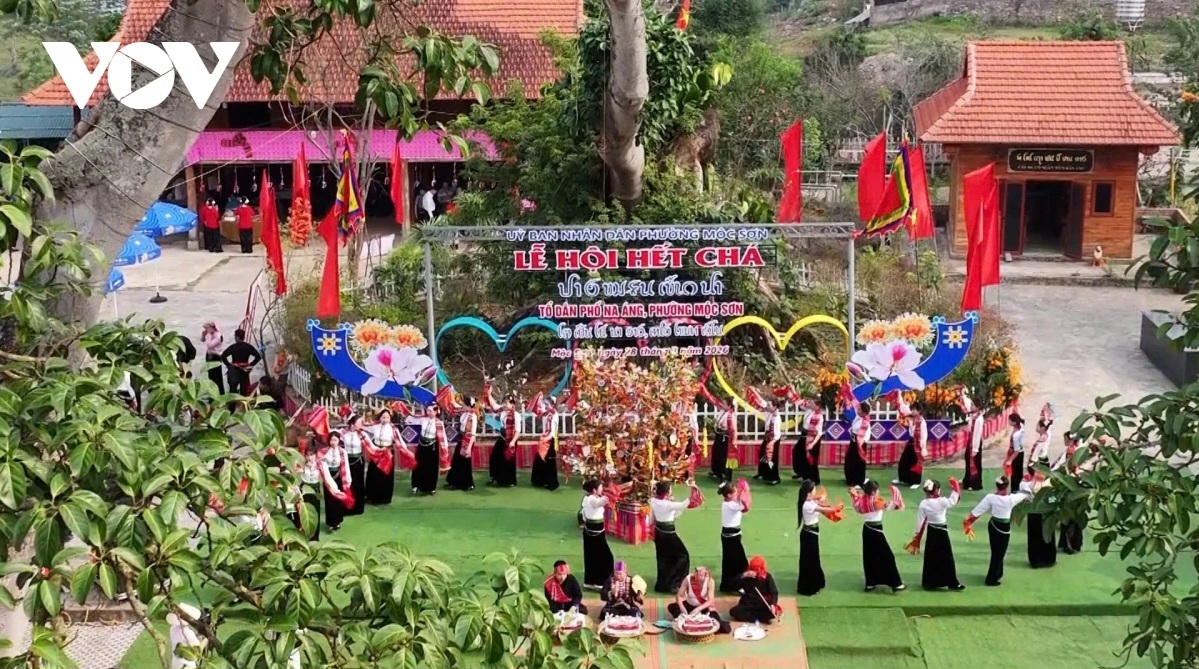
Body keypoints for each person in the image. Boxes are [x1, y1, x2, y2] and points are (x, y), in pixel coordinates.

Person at [963, 475, 1031, 586]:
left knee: (996, 552)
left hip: (993, 525)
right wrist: (1026, 480)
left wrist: (969, 522)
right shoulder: (1011, 499)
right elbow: (1025, 493)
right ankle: (991, 579)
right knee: (999, 554)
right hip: (1003, 528)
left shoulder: (990, 497)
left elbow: (978, 511)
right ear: (1007, 486)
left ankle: (998, 573)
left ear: (997, 486)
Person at [907, 479, 964, 590]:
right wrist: (955, 487)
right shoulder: (942, 501)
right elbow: (953, 500)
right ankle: (952, 582)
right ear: (937, 490)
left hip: (932, 530)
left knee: (931, 557)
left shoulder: (923, 503)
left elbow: (920, 521)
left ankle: (929, 583)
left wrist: (916, 537)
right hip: (942, 531)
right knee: (947, 558)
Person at [851, 480, 906, 592]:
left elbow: (856, 504)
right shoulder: (876, 502)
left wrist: (854, 495)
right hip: (876, 531)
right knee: (888, 557)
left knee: (869, 557)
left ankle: (870, 583)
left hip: (866, 529)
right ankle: (896, 584)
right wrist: (896, 495)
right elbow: (893, 506)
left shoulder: (861, 501)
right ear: (873, 492)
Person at [649, 481, 702, 593]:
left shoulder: (653, 501)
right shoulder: (668, 504)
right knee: (683, 555)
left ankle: (662, 584)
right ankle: (675, 583)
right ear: (667, 492)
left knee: (663, 558)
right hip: (669, 534)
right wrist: (692, 488)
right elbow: (685, 503)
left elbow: (651, 520)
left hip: (659, 532)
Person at [797, 479, 842, 596]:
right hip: (809, 535)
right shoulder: (807, 505)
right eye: (813, 491)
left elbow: (818, 500)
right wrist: (837, 507)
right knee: (810, 560)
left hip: (811, 533)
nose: (815, 493)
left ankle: (816, 581)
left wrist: (822, 497)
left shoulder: (809, 500)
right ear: (808, 493)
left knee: (813, 558)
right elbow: (827, 509)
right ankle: (809, 586)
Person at [667, 566, 730, 634]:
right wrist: (682, 608)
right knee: (672, 607)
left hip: (703, 607)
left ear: (706, 574)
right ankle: (686, 619)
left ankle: (695, 620)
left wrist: (698, 609)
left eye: (702, 575)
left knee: (718, 622)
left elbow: (710, 600)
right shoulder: (688, 579)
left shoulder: (710, 581)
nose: (699, 577)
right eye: (698, 574)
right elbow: (679, 596)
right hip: (689, 604)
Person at [1053, 431, 1085, 554]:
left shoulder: (1071, 451)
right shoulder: (1082, 449)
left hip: (1070, 485)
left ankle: (1068, 544)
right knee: (1076, 516)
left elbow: (1066, 467)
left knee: (1067, 516)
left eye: (1065, 439)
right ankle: (1076, 543)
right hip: (1080, 485)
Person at [580, 479, 616, 589]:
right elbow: (597, 504)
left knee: (591, 556)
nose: (602, 489)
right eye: (600, 487)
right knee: (606, 557)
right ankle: (600, 582)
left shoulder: (587, 498)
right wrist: (607, 498)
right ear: (595, 490)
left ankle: (590, 581)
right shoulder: (591, 500)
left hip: (591, 530)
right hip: (595, 531)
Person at [1021, 464, 1057, 569]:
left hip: (1034, 513)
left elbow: (1025, 499)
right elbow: (1053, 498)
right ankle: (1048, 559)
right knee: (1046, 535)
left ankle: (1036, 560)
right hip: (1045, 513)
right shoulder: (1049, 483)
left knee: (1035, 537)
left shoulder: (1026, 484)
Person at [718, 480, 750, 593]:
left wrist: (741, 491)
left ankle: (727, 585)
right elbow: (744, 505)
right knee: (741, 563)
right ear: (728, 495)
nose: (736, 493)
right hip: (732, 537)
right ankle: (737, 585)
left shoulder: (727, 502)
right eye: (735, 492)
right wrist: (745, 491)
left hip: (729, 535)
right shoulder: (731, 505)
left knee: (728, 561)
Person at [318, 432, 353, 532]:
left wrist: (347, 480)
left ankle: (337, 521)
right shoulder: (323, 452)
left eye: (335, 440)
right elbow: (320, 464)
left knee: (337, 500)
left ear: (339, 441)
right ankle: (330, 522)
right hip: (328, 478)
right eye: (331, 440)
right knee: (329, 500)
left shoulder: (342, 452)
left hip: (338, 478)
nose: (333, 442)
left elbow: (346, 466)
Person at [729, 556, 780, 624]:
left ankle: (753, 617)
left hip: (763, 602)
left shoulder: (767, 576)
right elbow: (732, 584)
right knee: (734, 612)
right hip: (748, 602)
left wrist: (773, 604)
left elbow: (774, 592)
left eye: (757, 569)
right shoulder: (747, 576)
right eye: (754, 569)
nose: (756, 572)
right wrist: (743, 575)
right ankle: (756, 618)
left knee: (772, 613)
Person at [364, 408, 400, 504]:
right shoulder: (375, 427)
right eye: (383, 417)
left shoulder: (393, 429)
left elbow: (400, 441)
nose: (385, 419)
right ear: (380, 418)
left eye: (387, 417)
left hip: (387, 453)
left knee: (386, 475)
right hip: (376, 452)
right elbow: (363, 427)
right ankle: (371, 496)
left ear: (390, 418)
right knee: (373, 474)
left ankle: (385, 497)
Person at [412, 405, 447, 495]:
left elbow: (443, 437)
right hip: (421, 444)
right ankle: (416, 485)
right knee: (418, 465)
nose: (429, 412)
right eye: (428, 410)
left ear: (435, 412)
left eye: (431, 411)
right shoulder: (423, 420)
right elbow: (413, 417)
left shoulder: (439, 423)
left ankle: (431, 487)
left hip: (432, 446)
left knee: (431, 467)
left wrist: (445, 448)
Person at [529, 395, 561, 491]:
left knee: (550, 461)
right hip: (544, 437)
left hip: (551, 439)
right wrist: (538, 398)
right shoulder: (545, 413)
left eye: (547, 404)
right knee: (539, 459)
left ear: (552, 404)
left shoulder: (555, 415)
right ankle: (538, 481)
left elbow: (554, 430)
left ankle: (552, 483)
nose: (545, 406)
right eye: (545, 404)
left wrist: (548, 438)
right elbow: (535, 411)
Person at [445, 398, 478, 491]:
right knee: (456, 459)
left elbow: (473, 434)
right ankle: (453, 481)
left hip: (468, 440)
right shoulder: (463, 414)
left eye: (464, 405)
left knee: (465, 462)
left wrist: (469, 448)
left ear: (468, 406)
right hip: (461, 438)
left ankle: (468, 483)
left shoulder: (473, 417)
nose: (462, 406)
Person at [290, 447, 322, 540]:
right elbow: (293, 472)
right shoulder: (302, 466)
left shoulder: (320, 465)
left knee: (315, 511)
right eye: (307, 455)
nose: (310, 457)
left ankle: (315, 534)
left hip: (315, 490)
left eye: (311, 455)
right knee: (303, 511)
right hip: (304, 489)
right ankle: (303, 532)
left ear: (315, 455)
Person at [340, 415, 369, 515]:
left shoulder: (362, 434)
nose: (361, 424)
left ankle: (358, 507)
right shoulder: (343, 433)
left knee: (358, 484)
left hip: (358, 461)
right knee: (347, 483)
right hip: (346, 462)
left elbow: (371, 446)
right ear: (352, 423)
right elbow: (331, 433)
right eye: (359, 423)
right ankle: (347, 507)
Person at [489, 396, 520, 488]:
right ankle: (495, 477)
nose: (505, 405)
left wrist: (513, 442)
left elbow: (518, 431)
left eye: (507, 403)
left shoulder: (516, 415)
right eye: (505, 403)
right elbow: (493, 405)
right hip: (502, 437)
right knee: (494, 456)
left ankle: (510, 481)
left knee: (509, 460)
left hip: (511, 439)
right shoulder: (502, 411)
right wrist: (489, 393)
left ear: (513, 404)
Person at [895, 400, 926, 489]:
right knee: (904, 460)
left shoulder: (922, 422)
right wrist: (899, 397)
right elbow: (903, 408)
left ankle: (916, 481)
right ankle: (903, 478)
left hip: (918, 444)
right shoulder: (911, 417)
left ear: (919, 411)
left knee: (915, 463)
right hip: (911, 441)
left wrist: (922, 447)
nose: (913, 411)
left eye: (915, 410)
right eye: (912, 409)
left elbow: (924, 436)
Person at [221, 329, 261, 397]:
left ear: (237, 337)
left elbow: (223, 356)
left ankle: (232, 406)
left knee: (232, 392)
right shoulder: (248, 347)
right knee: (244, 391)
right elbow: (258, 357)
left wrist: (229, 365)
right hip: (244, 370)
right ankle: (243, 405)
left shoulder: (233, 347)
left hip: (234, 370)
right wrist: (251, 365)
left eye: (235, 336)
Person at [793, 401, 824, 483]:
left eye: (812, 403)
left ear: (817, 406)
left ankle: (813, 479)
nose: (809, 404)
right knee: (797, 452)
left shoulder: (819, 416)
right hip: (804, 435)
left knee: (811, 458)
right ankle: (801, 472)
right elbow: (798, 402)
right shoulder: (808, 409)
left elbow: (819, 433)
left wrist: (812, 444)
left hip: (812, 438)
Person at [960, 388, 985, 491]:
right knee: (967, 460)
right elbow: (966, 403)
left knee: (975, 462)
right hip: (971, 441)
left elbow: (977, 435)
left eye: (973, 405)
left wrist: (975, 449)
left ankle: (975, 484)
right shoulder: (974, 415)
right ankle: (967, 480)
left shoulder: (979, 419)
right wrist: (962, 394)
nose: (971, 406)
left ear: (978, 407)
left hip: (974, 443)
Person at [754, 400, 782, 485]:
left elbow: (777, 434)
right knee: (762, 454)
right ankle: (762, 473)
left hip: (773, 440)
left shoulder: (776, 418)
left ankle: (775, 478)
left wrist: (771, 443)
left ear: (775, 407)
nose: (768, 406)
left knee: (772, 459)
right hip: (767, 437)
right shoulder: (769, 412)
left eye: (769, 405)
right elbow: (762, 403)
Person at [844, 401, 872, 487]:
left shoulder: (865, 422)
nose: (858, 411)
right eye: (858, 409)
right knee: (850, 460)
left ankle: (859, 481)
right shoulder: (858, 416)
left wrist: (860, 443)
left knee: (859, 463)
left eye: (860, 410)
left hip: (860, 444)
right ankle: (850, 479)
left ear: (864, 412)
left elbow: (867, 435)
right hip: (853, 442)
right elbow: (854, 401)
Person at [710, 402, 736, 482]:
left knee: (723, 457)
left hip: (725, 438)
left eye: (725, 404)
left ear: (729, 406)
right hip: (719, 436)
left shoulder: (730, 415)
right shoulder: (723, 412)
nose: (722, 405)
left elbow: (734, 430)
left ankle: (724, 476)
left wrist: (734, 441)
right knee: (716, 454)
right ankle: (717, 472)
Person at [1003, 413, 1027, 485]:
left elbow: (1016, 450)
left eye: (1010, 420)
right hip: (1019, 451)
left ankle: (1015, 490)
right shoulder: (1020, 426)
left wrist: (1010, 460)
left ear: (1014, 422)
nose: (1008, 422)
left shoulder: (1016, 436)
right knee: (1018, 472)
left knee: (1015, 474)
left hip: (1017, 454)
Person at [201, 322, 225, 394]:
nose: (206, 330)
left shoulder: (218, 336)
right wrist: (203, 335)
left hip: (216, 356)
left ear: (212, 327)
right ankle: (212, 392)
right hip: (209, 355)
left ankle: (219, 392)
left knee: (216, 376)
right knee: (211, 376)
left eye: (207, 328)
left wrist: (207, 335)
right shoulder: (210, 334)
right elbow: (202, 340)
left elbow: (209, 345)